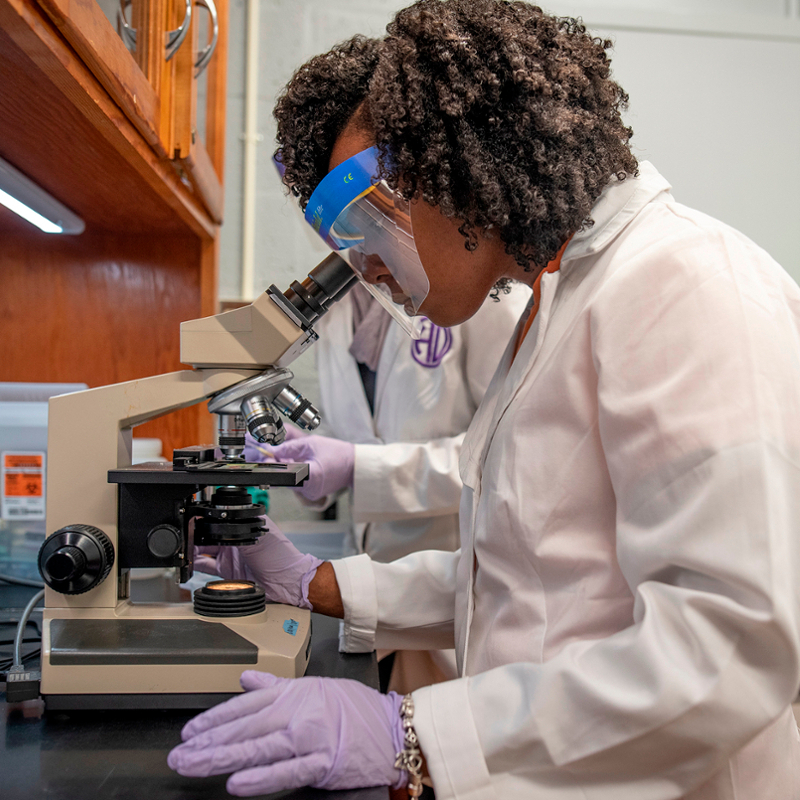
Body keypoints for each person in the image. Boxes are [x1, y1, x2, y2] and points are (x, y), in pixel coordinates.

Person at [169, 2, 800, 799]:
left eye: (368, 223)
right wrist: (317, 584)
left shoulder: (687, 284)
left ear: (454, 165)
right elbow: (520, 577)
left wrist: (414, 737)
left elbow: (728, 652)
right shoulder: (558, 303)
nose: (365, 267)